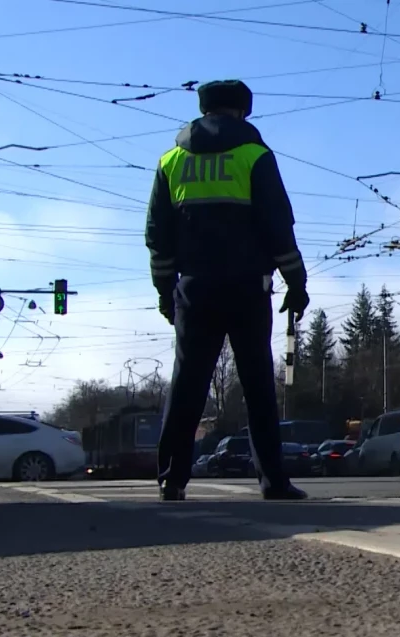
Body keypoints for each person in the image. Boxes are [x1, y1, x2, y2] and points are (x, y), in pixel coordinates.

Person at [144, 79, 309, 502]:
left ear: (203, 110)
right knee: (257, 386)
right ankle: (273, 481)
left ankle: (171, 479)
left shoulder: (171, 160)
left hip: (194, 288)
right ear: (242, 111)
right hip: (248, 287)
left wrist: (166, 291)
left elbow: (157, 237)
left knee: (186, 384)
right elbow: (278, 226)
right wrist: (296, 281)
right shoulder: (255, 155)